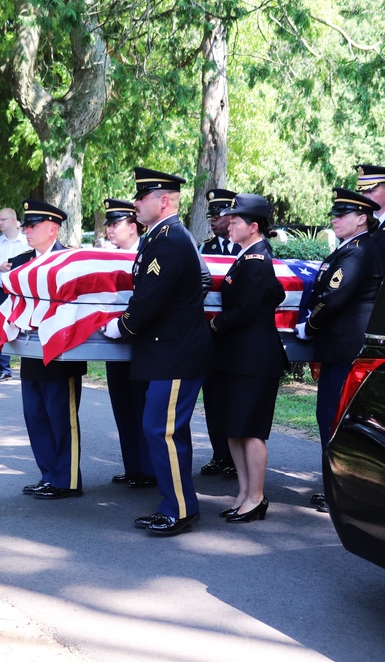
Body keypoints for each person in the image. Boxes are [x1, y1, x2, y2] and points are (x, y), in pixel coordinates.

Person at [103, 167, 213, 536]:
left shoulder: (170, 240)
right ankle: (175, 503)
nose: (135, 203)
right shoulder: (161, 238)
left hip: (176, 354)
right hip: (167, 353)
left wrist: (122, 326)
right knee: (162, 430)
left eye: (142, 197)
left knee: (162, 431)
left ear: (163, 201)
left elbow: (150, 298)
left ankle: (179, 509)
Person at [296, 188, 382, 513]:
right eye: (335, 213)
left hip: (346, 351)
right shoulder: (348, 250)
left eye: (341, 214)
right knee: (329, 417)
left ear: (361, 219)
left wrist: (309, 326)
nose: (334, 219)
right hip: (339, 350)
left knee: (335, 419)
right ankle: (336, 488)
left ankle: (340, 492)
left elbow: (333, 296)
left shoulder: (357, 252)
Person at [206, 194, 288, 523]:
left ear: (253, 227)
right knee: (234, 429)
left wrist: (212, 323)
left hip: (254, 360)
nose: (229, 224)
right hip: (238, 357)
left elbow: (244, 311)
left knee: (251, 430)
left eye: (236, 221)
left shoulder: (256, 261)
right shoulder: (247, 257)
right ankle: (243, 493)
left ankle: (256, 497)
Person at [14, 200, 88, 500]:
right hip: (31, 351)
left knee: (61, 417)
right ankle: (48, 475)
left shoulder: (71, 260)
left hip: (62, 354)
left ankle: (67, 480)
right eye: (25, 225)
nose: (26, 230)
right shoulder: (21, 262)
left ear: (53, 228)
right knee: (35, 415)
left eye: (33, 225)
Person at [102, 198, 155, 490]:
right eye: (108, 224)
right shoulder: (107, 258)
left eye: (115, 224)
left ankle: (149, 468)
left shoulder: (148, 253)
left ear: (133, 227)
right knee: (122, 404)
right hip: (114, 342)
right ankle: (133, 466)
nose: (110, 230)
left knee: (142, 405)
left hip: (142, 342)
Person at [198, 188, 240, 479]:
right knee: (213, 397)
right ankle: (219, 454)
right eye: (211, 216)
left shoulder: (247, 248)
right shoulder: (205, 249)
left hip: (237, 336)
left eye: (219, 215)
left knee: (235, 398)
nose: (214, 221)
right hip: (211, 337)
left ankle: (236, 457)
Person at [0, 207, 28, 383]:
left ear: (12, 221)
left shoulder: (26, 243)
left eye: (2, 220)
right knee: (1, 328)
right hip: (1, 291)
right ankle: (4, 369)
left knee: (25, 327)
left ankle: (28, 366)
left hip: (22, 292)